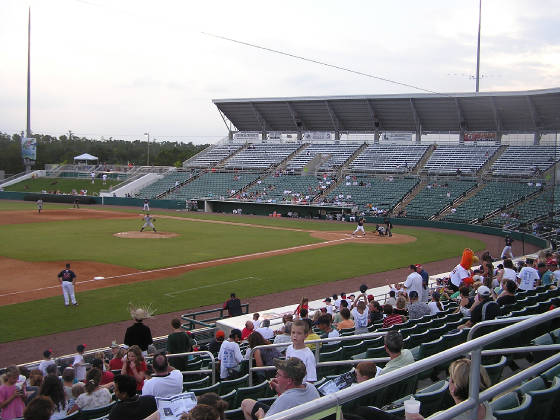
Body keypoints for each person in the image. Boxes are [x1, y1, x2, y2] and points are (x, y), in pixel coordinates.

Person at [240, 357, 320, 420]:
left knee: (248, 405)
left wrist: (260, 415)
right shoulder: (311, 387)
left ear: (289, 381)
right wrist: (281, 390)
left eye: (278, 375)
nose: (276, 377)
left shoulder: (285, 399)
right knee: (246, 403)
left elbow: (287, 400)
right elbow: (293, 397)